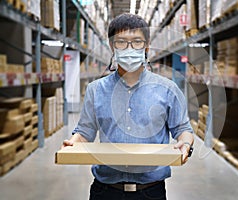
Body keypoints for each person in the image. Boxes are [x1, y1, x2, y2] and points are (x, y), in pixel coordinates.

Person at [62, 13, 194, 200]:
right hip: (105, 190)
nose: (129, 48)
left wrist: (185, 143)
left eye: (137, 42)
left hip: (151, 191)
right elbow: (85, 131)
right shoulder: (95, 90)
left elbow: (183, 129)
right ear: (112, 46)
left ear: (147, 46)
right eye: (121, 42)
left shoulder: (167, 89)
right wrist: (73, 143)